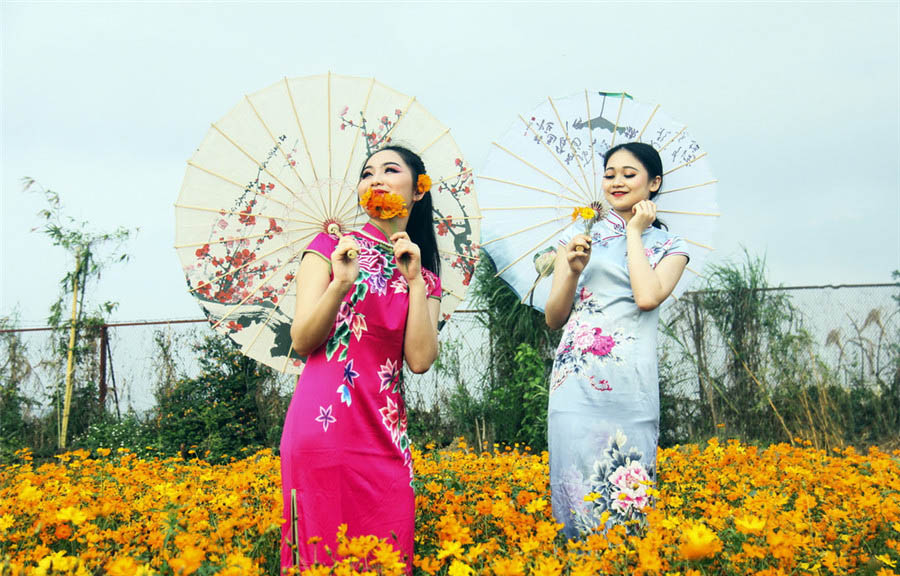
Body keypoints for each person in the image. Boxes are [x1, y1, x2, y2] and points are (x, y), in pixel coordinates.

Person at [279, 145, 442, 572]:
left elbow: (421, 360)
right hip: (323, 426)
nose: (376, 179)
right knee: (320, 556)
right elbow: (302, 340)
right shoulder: (331, 247)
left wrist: (416, 283)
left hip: (386, 432)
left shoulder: (422, 274)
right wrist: (340, 283)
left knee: (387, 554)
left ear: (419, 189)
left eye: (391, 170)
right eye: (368, 173)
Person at [544, 141, 689, 537]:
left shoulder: (671, 246)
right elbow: (554, 317)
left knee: (629, 494)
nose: (617, 182)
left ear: (654, 183)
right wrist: (572, 269)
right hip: (575, 384)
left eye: (629, 174)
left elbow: (647, 297)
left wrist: (635, 233)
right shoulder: (577, 238)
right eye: (609, 174)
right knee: (574, 490)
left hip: (630, 386)